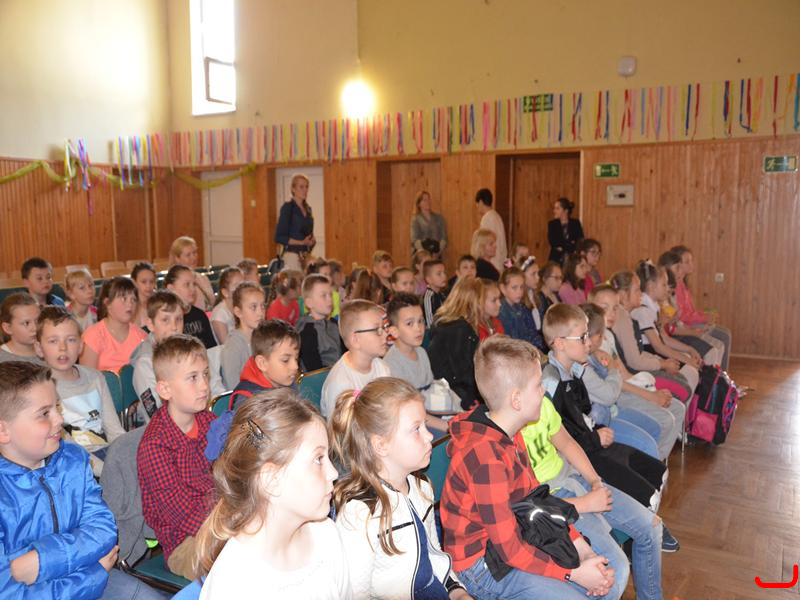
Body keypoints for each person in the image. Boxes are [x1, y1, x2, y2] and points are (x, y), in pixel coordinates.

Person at [441, 336, 625, 599]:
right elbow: (510, 550)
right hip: (483, 566)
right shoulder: (485, 458)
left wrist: (582, 549)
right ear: (516, 400)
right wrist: (573, 573)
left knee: (605, 570)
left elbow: (537, 502)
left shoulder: (510, 432)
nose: (543, 392)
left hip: (516, 534)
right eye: (538, 385)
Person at [0, 361, 166, 599]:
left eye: (57, 406)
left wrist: (40, 560)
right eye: (44, 414)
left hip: (91, 575)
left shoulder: (73, 459)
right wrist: (93, 574)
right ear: (3, 431)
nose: (59, 419)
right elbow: (9, 592)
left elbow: (103, 529)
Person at [519, 377, 665, 599]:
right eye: (538, 384)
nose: (544, 390)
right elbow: (531, 506)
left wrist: (595, 481)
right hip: (555, 503)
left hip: (575, 482)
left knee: (652, 527)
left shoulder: (542, 405)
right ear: (516, 395)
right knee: (613, 571)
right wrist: (586, 503)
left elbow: (567, 443)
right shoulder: (506, 435)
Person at [196, 390, 349, 599]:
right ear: (271, 480)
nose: (334, 473)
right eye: (318, 459)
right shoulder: (234, 585)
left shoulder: (326, 535)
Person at [332, 378, 467, 598]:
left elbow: (435, 558)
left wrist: (458, 592)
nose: (429, 435)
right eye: (416, 429)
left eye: (425, 425)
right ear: (381, 445)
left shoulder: (421, 487)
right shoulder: (361, 514)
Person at [541, 304, 668, 512]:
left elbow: (582, 412)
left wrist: (597, 431)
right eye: (582, 337)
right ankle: (639, 526)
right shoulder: (550, 383)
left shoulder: (575, 369)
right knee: (647, 496)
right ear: (560, 343)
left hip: (592, 443)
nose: (589, 343)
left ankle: (647, 522)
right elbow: (560, 439)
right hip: (578, 459)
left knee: (658, 473)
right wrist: (595, 437)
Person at [137, 335, 216, 579]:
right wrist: (235, 519)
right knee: (248, 559)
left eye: (205, 374)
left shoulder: (209, 421)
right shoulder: (155, 446)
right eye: (193, 378)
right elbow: (185, 516)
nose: (204, 386)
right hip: (185, 544)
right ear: (165, 389)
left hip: (222, 521)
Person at [589, 284, 683, 461]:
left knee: (677, 408)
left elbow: (624, 374)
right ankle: (653, 464)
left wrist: (650, 390)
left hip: (622, 388)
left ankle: (656, 462)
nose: (611, 313)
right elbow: (617, 384)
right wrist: (650, 396)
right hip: (615, 397)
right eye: (604, 308)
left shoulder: (608, 336)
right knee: (665, 420)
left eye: (615, 308)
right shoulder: (594, 343)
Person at [36, 307, 125, 471]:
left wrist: (125, 459)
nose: (63, 348)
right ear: (39, 348)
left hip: (105, 455)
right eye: (53, 341)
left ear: (80, 346)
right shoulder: (40, 388)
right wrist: (106, 471)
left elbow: (114, 430)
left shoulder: (95, 377)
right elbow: (66, 447)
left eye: (70, 340)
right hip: (70, 463)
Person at [384, 294, 458, 431]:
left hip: (431, 413)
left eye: (421, 321)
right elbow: (407, 411)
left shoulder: (421, 352)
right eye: (409, 323)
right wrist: (447, 426)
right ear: (394, 331)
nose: (418, 328)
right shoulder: (391, 364)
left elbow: (431, 392)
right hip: (414, 423)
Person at [320, 300, 390, 419]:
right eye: (377, 330)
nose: (385, 334)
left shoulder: (382, 367)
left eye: (384, 327)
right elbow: (341, 429)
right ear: (355, 340)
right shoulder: (340, 384)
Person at [666, 246, 732, 370]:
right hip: (685, 327)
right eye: (687, 262)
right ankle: (717, 377)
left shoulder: (682, 284)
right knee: (722, 339)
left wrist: (705, 316)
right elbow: (681, 318)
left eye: (691, 261)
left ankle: (721, 377)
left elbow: (688, 312)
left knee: (723, 338)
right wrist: (704, 319)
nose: (691, 264)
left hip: (684, 326)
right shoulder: (674, 288)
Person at [131, 291, 186, 422]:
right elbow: (157, 414)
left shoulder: (189, 350)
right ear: (150, 324)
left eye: (179, 319)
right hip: (164, 429)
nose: (174, 327)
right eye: (165, 320)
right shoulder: (145, 364)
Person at [428, 278, 482, 410]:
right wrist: (472, 398)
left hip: (451, 393)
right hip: (457, 398)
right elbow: (462, 374)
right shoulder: (460, 329)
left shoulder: (447, 324)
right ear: (475, 302)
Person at [228, 319, 301, 410]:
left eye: (296, 358)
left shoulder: (287, 382)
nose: (295, 366)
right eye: (285, 360)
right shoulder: (247, 401)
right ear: (262, 363)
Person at [80, 277, 147, 372]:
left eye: (133, 300)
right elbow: (88, 377)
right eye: (124, 299)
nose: (130, 304)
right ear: (107, 303)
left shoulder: (142, 337)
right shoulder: (92, 336)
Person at [220, 282, 267, 389]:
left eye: (262, 306)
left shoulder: (264, 338)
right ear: (238, 312)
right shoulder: (233, 346)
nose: (260, 313)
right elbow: (233, 386)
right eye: (253, 307)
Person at [296, 274, 343, 372]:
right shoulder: (307, 333)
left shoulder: (334, 323)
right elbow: (314, 372)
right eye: (323, 296)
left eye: (330, 295)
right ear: (309, 303)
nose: (329, 299)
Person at [165, 265, 218, 349]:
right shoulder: (168, 320)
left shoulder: (199, 315)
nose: (192, 289)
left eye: (194, 284)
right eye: (187, 285)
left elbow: (212, 348)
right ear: (171, 288)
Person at [274, 173, 315, 272]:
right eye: (301, 187)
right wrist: (301, 242)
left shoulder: (308, 209)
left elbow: (308, 234)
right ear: (293, 189)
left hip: (305, 255)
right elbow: (279, 237)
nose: (305, 190)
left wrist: (311, 241)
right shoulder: (288, 208)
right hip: (292, 254)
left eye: (306, 187)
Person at [498, 266, 541, 349]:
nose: (519, 292)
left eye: (521, 287)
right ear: (503, 288)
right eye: (514, 288)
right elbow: (511, 343)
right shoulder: (501, 312)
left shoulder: (521, 307)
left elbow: (531, 332)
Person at [170, 236, 215, 311]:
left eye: (194, 253)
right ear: (177, 258)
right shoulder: (175, 282)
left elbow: (212, 303)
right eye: (188, 255)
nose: (193, 258)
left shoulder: (203, 278)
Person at [0, 292, 43, 364]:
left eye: (38, 320)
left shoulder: (50, 351)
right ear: (8, 328)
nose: (35, 328)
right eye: (26, 323)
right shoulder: (2, 359)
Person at [519, 256, 548, 353]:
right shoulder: (520, 303)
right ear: (522, 277)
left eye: (538, 273)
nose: (538, 277)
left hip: (542, 345)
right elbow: (526, 334)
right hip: (529, 349)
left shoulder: (539, 297)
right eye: (533, 274)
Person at [475, 188, 507, 273]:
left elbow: (483, 244)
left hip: (491, 264)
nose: (477, 207)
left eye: (477, 204)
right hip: (501, 263)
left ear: (480, 202)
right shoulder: (497, 216)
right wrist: (507, 266)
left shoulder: (486, 218)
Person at [410, 190, 448, 259]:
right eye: (425, 200)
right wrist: (424, 254)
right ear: (419, 204)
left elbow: (444, 238)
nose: (428, 202)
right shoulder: (415, 219)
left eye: (429, 199)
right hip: (421, 255)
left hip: (436, 253)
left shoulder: (439, 218)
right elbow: (414, 240)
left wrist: (438, 252)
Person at [210, 266, 244, 345]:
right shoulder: (219, 314)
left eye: (243, 284)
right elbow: (226, 345)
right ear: (225, 292)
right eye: (237, 286)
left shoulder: (242, 307)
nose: (242, 289)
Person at [547, 197, 584, 264]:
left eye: (557, 208)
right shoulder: (552, 224)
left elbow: (580, 240)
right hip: (556, 258)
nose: (554, 211)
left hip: (572, 258)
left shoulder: (575, 223)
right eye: (554, 208)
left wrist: (563, 247)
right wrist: (570, 244)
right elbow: (553, 242)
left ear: (566, 210)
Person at [421, 259, 448, 327]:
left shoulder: (443, 294)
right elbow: (429, 322)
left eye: (444, 272)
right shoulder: (429, 297)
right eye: (439, 274)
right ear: (429, 279)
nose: (444, 276)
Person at [131, 262, 157, 330]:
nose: (148, 286)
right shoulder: (130, 306)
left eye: (151, 282)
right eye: (143, 282)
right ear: (134, 282)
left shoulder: (160, 303)